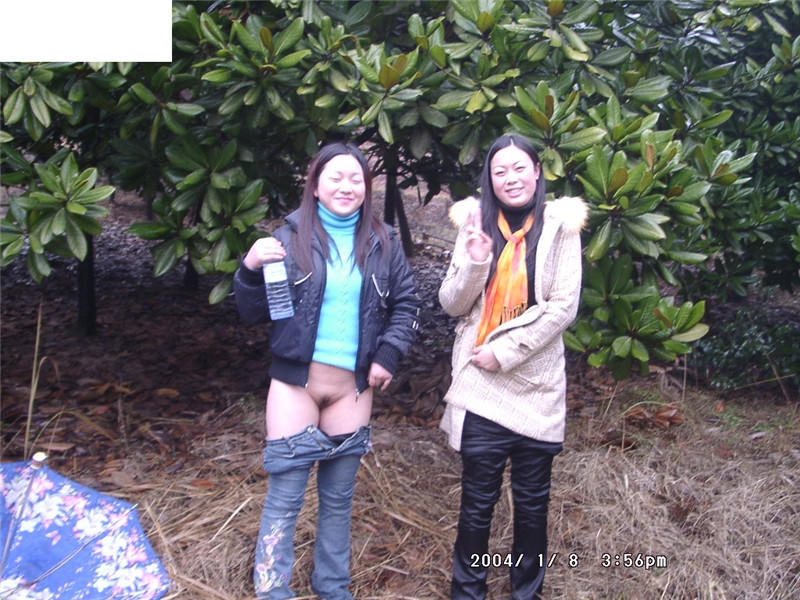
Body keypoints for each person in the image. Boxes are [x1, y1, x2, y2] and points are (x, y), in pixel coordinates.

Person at [234, 141, 420, 600]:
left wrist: (388, 355)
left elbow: (407, 304)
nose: (346, 186)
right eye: (335, 177)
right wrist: (249, 268)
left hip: (351, 390)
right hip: (295, 384)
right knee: (285, 498)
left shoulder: (383, 242)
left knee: (338, 501)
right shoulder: (287, 239)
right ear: (315, 186)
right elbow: (253, 313)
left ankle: (333, 587)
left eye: (356, 178)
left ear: (367, 188)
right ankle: (272, 590)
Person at [438, 134, 586, 599]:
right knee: (477, 503)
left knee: (532, 505)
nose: (511, 178)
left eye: (520, 168)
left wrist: (505, 352)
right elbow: (451, 303)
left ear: (537, 172)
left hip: (536, 383)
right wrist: (475, 262)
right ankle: (468, 592)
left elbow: (562, 307)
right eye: (500, 171)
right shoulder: (475, 224)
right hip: (481, 384)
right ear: (489, 178)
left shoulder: (561, 227)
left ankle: (527, 592)